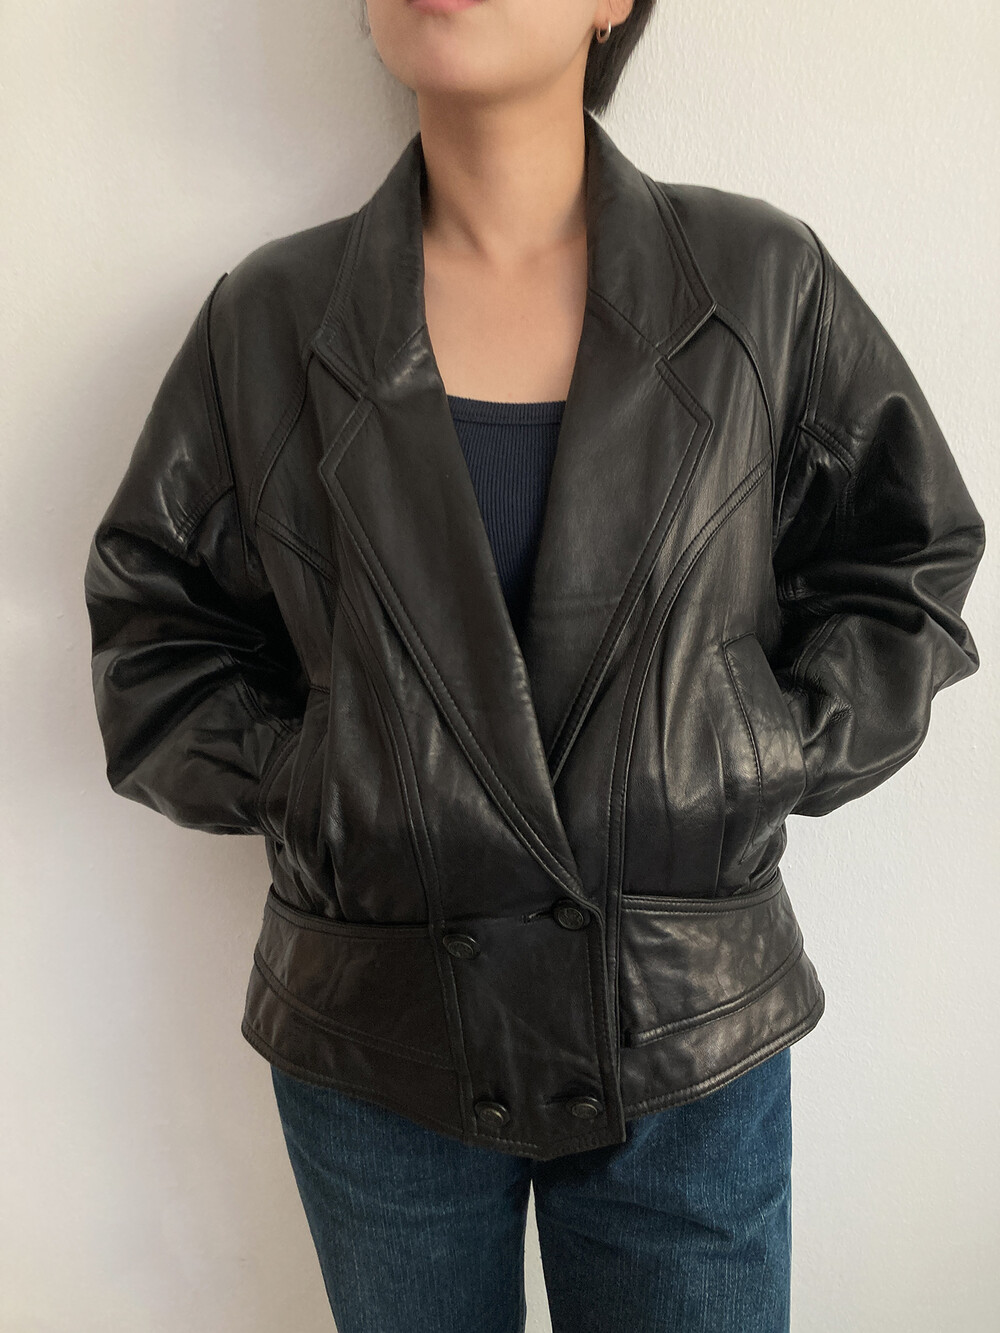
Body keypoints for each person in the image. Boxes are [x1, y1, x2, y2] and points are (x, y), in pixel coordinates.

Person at [83, 2, 986, 1330]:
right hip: (380, 1033)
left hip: (685, 1026)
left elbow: (905, 556)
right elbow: (154, 630)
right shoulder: (271, 319)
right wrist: (324, 780)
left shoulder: (758, 283)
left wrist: (752, 746)